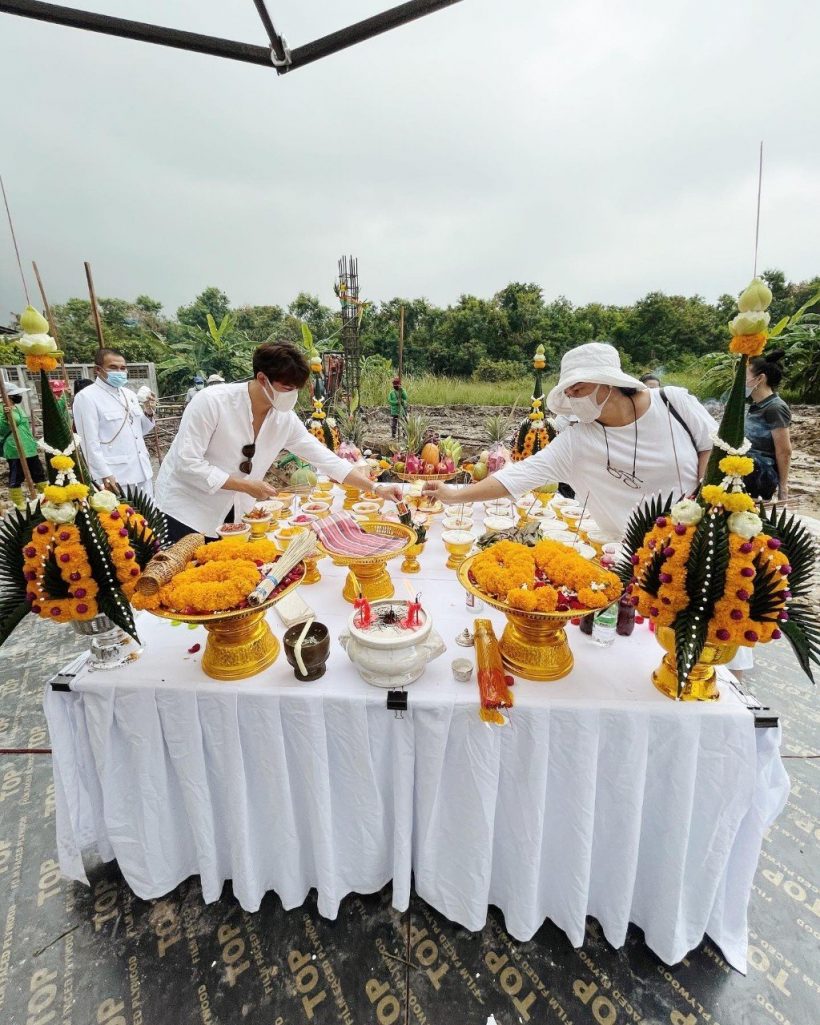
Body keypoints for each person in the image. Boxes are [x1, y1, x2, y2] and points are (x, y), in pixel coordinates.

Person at [425, 342, 716, 540]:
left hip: (696, 540)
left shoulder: (673, 403)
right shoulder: (577, 440)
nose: (575, 399)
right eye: (570, 393)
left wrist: (705, 498)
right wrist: (454, 495)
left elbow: (711, 446)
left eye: (580, 388)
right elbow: (518, 476)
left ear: (609, 382)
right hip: (627, 552)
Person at [155, 342, 401, 541]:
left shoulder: (284, 419)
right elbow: (186, 464)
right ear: (262, 379)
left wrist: (376, 489)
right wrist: (247, 486)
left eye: (296, 389)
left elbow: (325, 459)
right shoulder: (211, 403)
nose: (292, 395)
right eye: (286, 387)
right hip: (186, 511)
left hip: (235, 513)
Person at [72, 348, 156, 498]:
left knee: (148, 519)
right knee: (123, 519)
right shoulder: (87, 397)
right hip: (116, 477)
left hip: (142, 470)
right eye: (113, 367)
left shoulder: (128, 394)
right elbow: (89, 442)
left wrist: (148, 411)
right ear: (98, 369)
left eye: (123, 368)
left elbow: (140, 431)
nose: (119, 372)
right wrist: (103, 474)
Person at [745, 349, 791, 502]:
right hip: (746, 471)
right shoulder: (756, 405)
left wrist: (783, 487)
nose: (742, 382)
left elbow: (784, 451)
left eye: (746, 377)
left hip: (760, 476)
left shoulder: (775, 407)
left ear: (760, 379)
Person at [0, 384, 47, 508]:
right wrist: (6, 417)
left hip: (29, 446)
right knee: (17, 475)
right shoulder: (2, 409)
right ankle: (19, 503)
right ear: (7, 396)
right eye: (15, 394)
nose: (18, 396)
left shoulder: (17, 407)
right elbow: (2, 429)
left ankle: (45, 497)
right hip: (15, 448)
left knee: (38, 473)